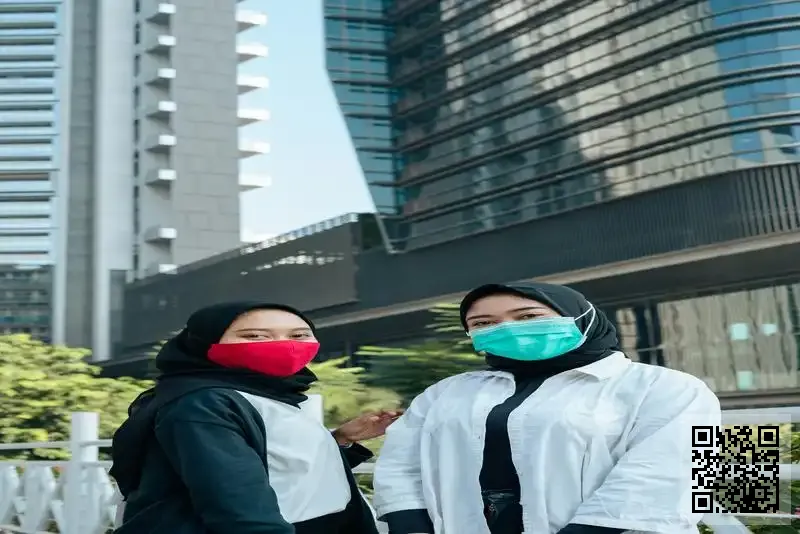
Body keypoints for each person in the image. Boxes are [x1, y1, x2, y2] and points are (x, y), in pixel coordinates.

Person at [373, 282, 721, 534]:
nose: (507, 329)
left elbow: (671, 473)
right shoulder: (445, 392)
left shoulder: (668, 387)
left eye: (528, 315)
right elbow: (400, 464)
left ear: (581, 318)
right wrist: (410, 525)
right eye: (483, 324)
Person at [110, 302, 401, 534]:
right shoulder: (204, 404)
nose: (284, 344)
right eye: (255, 336)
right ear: (205, 342)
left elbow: (276, 467)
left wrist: (339, 440)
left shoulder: (266, 394)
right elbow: (235, 499)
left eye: (299, 335)